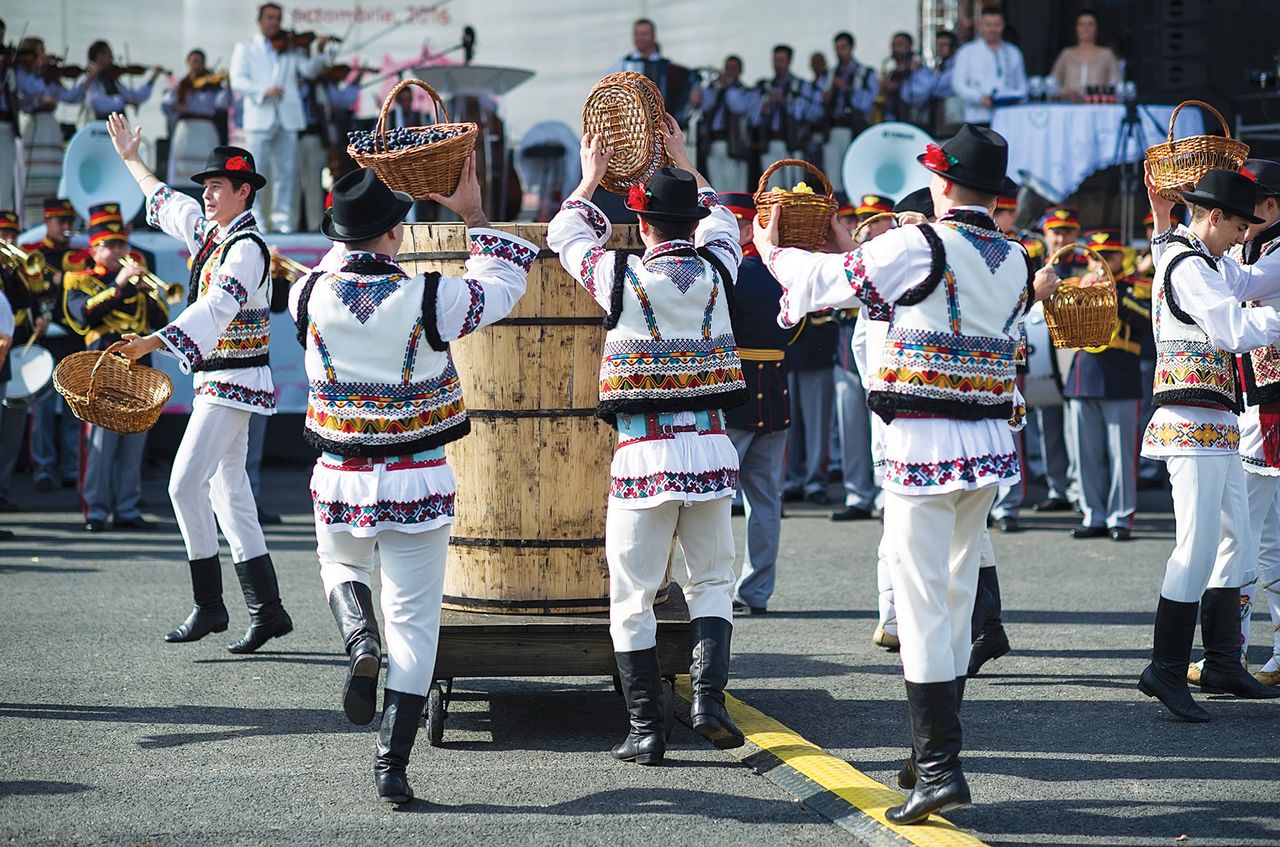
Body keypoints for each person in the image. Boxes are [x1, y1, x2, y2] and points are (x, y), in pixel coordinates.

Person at [762, 124, 1057, 823]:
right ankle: (929, 753)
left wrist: (771, 246)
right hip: (985, 445)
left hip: (923, 444)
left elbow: (824, 282)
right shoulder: (1017, 256)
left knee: (923, 600)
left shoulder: (922, 242)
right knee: (952, 596)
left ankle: (939, 766)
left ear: (943, 183)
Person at [291, 162, 535, 804]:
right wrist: (475, 215)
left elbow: (338, 257)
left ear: (338, 236)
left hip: (341, 477)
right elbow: (505, 284)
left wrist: (356, 219)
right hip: (416, 479)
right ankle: (390, 765)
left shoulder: (306, 294)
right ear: (396, 233)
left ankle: (357, 638)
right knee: (417, 621)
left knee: (337, 562)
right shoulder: (433, 296)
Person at [549, 119, 747, 766]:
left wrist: (589, 176)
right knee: (714, 580)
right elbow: (725, 220)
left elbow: (564, 231)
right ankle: (710, 700)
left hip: (645, 454)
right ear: (690, 221)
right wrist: (688, 164)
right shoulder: (720, 267)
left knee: (631, 595)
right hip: (713, 451)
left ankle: (646, 729)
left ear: (645, 227)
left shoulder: (619, 276)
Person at [107, 114, 293, 655]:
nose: (207, 195)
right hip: (220, 382)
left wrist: (152, 343)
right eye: (206, 187)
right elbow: (166, 202)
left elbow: (215, 309)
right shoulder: (213, 233)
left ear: (243, 192)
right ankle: (269, 611)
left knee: (183, 485)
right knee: (229, 495)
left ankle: (211, 605)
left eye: (217, 187)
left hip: (235, 381)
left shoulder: (247, 249)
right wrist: (130, 159)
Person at [1139, 167, 1280, 722]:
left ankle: (1222, 660)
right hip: (1188, 418)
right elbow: (1231, 329)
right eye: (1238, 227)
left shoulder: (1197, 254)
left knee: (1237, 541)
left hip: (1215, 418)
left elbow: (1243, 286)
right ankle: (1166, 668)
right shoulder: (1190, 265)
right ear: (1214, 216)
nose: (1243, 238)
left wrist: (1159, 215)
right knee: (1197, 544)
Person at [1206, 158, 1280, 687]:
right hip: (1262, 401)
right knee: (1265, 535)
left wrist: (1181, 244)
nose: (1236, 218)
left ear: (1270, 207)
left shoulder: (1272, 256)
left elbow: (1235, 285)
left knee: (1244, 530)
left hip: (1270, 409)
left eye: (1244, 207)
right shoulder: (1260, 249)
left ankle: (1228, 654)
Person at [63, 203, 168, 531]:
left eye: (122, 243)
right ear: (94, 249)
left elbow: (161, 321)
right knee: (99, 445)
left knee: (133, 442)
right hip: (100, 372)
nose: (120, 250)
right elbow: (82, 316)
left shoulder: (138, 284)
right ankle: (96, 509)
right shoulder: (78, 280)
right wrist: (119, 286)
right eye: (110, 245)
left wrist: (144, 291)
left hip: (138, 374)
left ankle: (127, 508)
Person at [715, 191, 791, 615]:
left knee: (717, 500)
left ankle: (717, 589)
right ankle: (757, 590)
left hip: (735, 393)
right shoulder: (782, 274)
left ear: (745, 228)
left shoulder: (732, 275)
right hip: (775, 392)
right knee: (765, 501)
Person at [1062, 229, 1150, 541]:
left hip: (1120, 375)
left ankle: (1120, 518)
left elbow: (1147, 320)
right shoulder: (1078, 284)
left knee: (1122, 455)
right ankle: (1093, 515)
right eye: (1095, 256)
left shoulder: (1136, 286)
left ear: (1119, 257)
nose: (1101, 262)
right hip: (1084, 375)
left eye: (1108, 255)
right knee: (1085, 454)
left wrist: (1116, 296)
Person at [230, 2, 329, 232]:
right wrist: (264, 91)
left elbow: (309, 71)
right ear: (260, 21)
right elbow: (237, 80)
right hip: (259, 117)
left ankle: (283, 218)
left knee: (286, 171)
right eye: (270, 18)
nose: (274, 22)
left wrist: (319, 51)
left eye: (277, 18)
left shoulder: (291, 49)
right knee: (257, 170)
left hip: (287, 118)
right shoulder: (245, 48)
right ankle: (256, 217)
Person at [831, 194, 894, 522]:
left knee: (882, 426)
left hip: (886, 357)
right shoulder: (862, 250)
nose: (867, 227)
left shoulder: (897, 253)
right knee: (851, 424)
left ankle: (883, 494)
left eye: (875, 220)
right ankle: (858, 492)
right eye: (863, 220)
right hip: (853, 346)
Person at [24, 199, 87, 491]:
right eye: (59, 221)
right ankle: (44, 468)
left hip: (73, 339)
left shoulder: (81, 255)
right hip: (45, 338)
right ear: (46, 221)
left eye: (68, 221)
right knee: (43, 409)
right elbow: (26, 295)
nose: (65, 227)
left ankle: (72, 467)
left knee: (74, 406)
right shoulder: (32, 254)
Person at [0, 209, 46, 509]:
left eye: (13, 235)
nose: (9, 240)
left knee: (9, 436)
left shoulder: (10, 268)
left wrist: (11, 269)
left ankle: (1, 495)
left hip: (5, 360)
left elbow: (22, 300)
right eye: (3, 235)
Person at [15, 38, 86, 223]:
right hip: (33, 124)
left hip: (50, 127)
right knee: (33, 177)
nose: (45, 55)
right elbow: (28, 93)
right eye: (40, 51)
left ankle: (50, 219)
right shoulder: (23, 74)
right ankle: (31, 220)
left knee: (51, 177)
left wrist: (88, 78)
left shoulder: (51, 76)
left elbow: (71, 97)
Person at [754, 45, 822, 191]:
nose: (778, 64)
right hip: (771, 142)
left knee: (795, 188)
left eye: (781, 60)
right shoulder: (765, 86)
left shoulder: (801, 86)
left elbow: (815, 113)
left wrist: (786, 103)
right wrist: (763, 110)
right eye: (775, 60)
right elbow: (752, 118)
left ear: (789, 61)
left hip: (793, 143)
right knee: (772, 189)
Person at [818, 32, 877, 195]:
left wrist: (847, 88)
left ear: (851, 48)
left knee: (853, 169)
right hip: (832, 127)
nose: (840, 52)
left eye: (843, 48)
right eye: (837, 48)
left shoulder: (865, 73)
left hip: (854, 128)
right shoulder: (829, 74)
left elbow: (868, 102)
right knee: (832, 174)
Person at [164, 50, 229, 190]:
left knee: (206, 165)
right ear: (188, 64)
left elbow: (222, 104)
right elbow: (166, 104)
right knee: (182, 169)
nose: (197, 65)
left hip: (206, 128)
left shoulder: (213, 85)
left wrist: (226, 83)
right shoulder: (182, 85)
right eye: (194, 61)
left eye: (200, 61)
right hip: (186, 128)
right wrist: (177, 107)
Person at [951, 7, 1027, 126]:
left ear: (1003, 26)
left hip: (1008, 116)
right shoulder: (966, 52)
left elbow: (1022, 84)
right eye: (988, 25)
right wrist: (980, 98)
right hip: (978, 117)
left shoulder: (1013, 52)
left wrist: (1016, 98)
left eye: (997, 25)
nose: (992, 29)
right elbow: (958, 85)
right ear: (980, 26)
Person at [609, 18, 693, 125]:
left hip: (662, 127)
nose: (640, 38)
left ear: (653, 37)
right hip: (632, 126)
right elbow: (606, 90)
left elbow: (687, 84)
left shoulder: (666, 65)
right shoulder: (623, 64)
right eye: (637, 34)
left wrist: (693, 93)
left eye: (644, 34)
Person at [691, 56, 756, 194]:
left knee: (735, 187)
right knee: (718, 187)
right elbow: (705, 107)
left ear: (740, 71)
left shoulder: (743, 91)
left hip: (733, 145)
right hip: (714, 143)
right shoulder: (714, 89)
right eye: (727, 69)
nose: (729, 73)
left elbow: (737, 106)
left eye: (733, 69)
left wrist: (727, 87)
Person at [79, 41, 163, 121]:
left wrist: (152, 78)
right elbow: (96, 103)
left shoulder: (112, 79)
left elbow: (134, 97)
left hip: (114, 132)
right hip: (94, 130)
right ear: (99, 56)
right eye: (109, 55)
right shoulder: (87, 79)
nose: (112, 58)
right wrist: (124, 101)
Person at [1050, 9, 1121, 101]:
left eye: (1090, 24)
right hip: (1068, 107)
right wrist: (1065, 92)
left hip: (1097, 108)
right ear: (1076, 28)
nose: (1086, 28)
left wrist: (1099, 93)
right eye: (1081, 24)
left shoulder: (1106, 55)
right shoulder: (1067, 54)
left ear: (1097, 28)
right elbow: (1052, 82)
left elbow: (1117, 84)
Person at [908, 30, 960, 137]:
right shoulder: (940, 67)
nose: (940, 49)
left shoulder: (957, 67)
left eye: (944, 45)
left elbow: (934, 88)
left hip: (952, 120)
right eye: (938, 45)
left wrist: (920, 72)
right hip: (937, 121)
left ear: (954, 48)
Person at [881, 32, 929, 127]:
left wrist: (899, 87)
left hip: (913, 123)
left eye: (899, 44)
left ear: (910, 46)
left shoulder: (919, 70)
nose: (895, 49)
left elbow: (921, 95)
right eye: (893, 45)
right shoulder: (891, 73)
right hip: (892, 122)